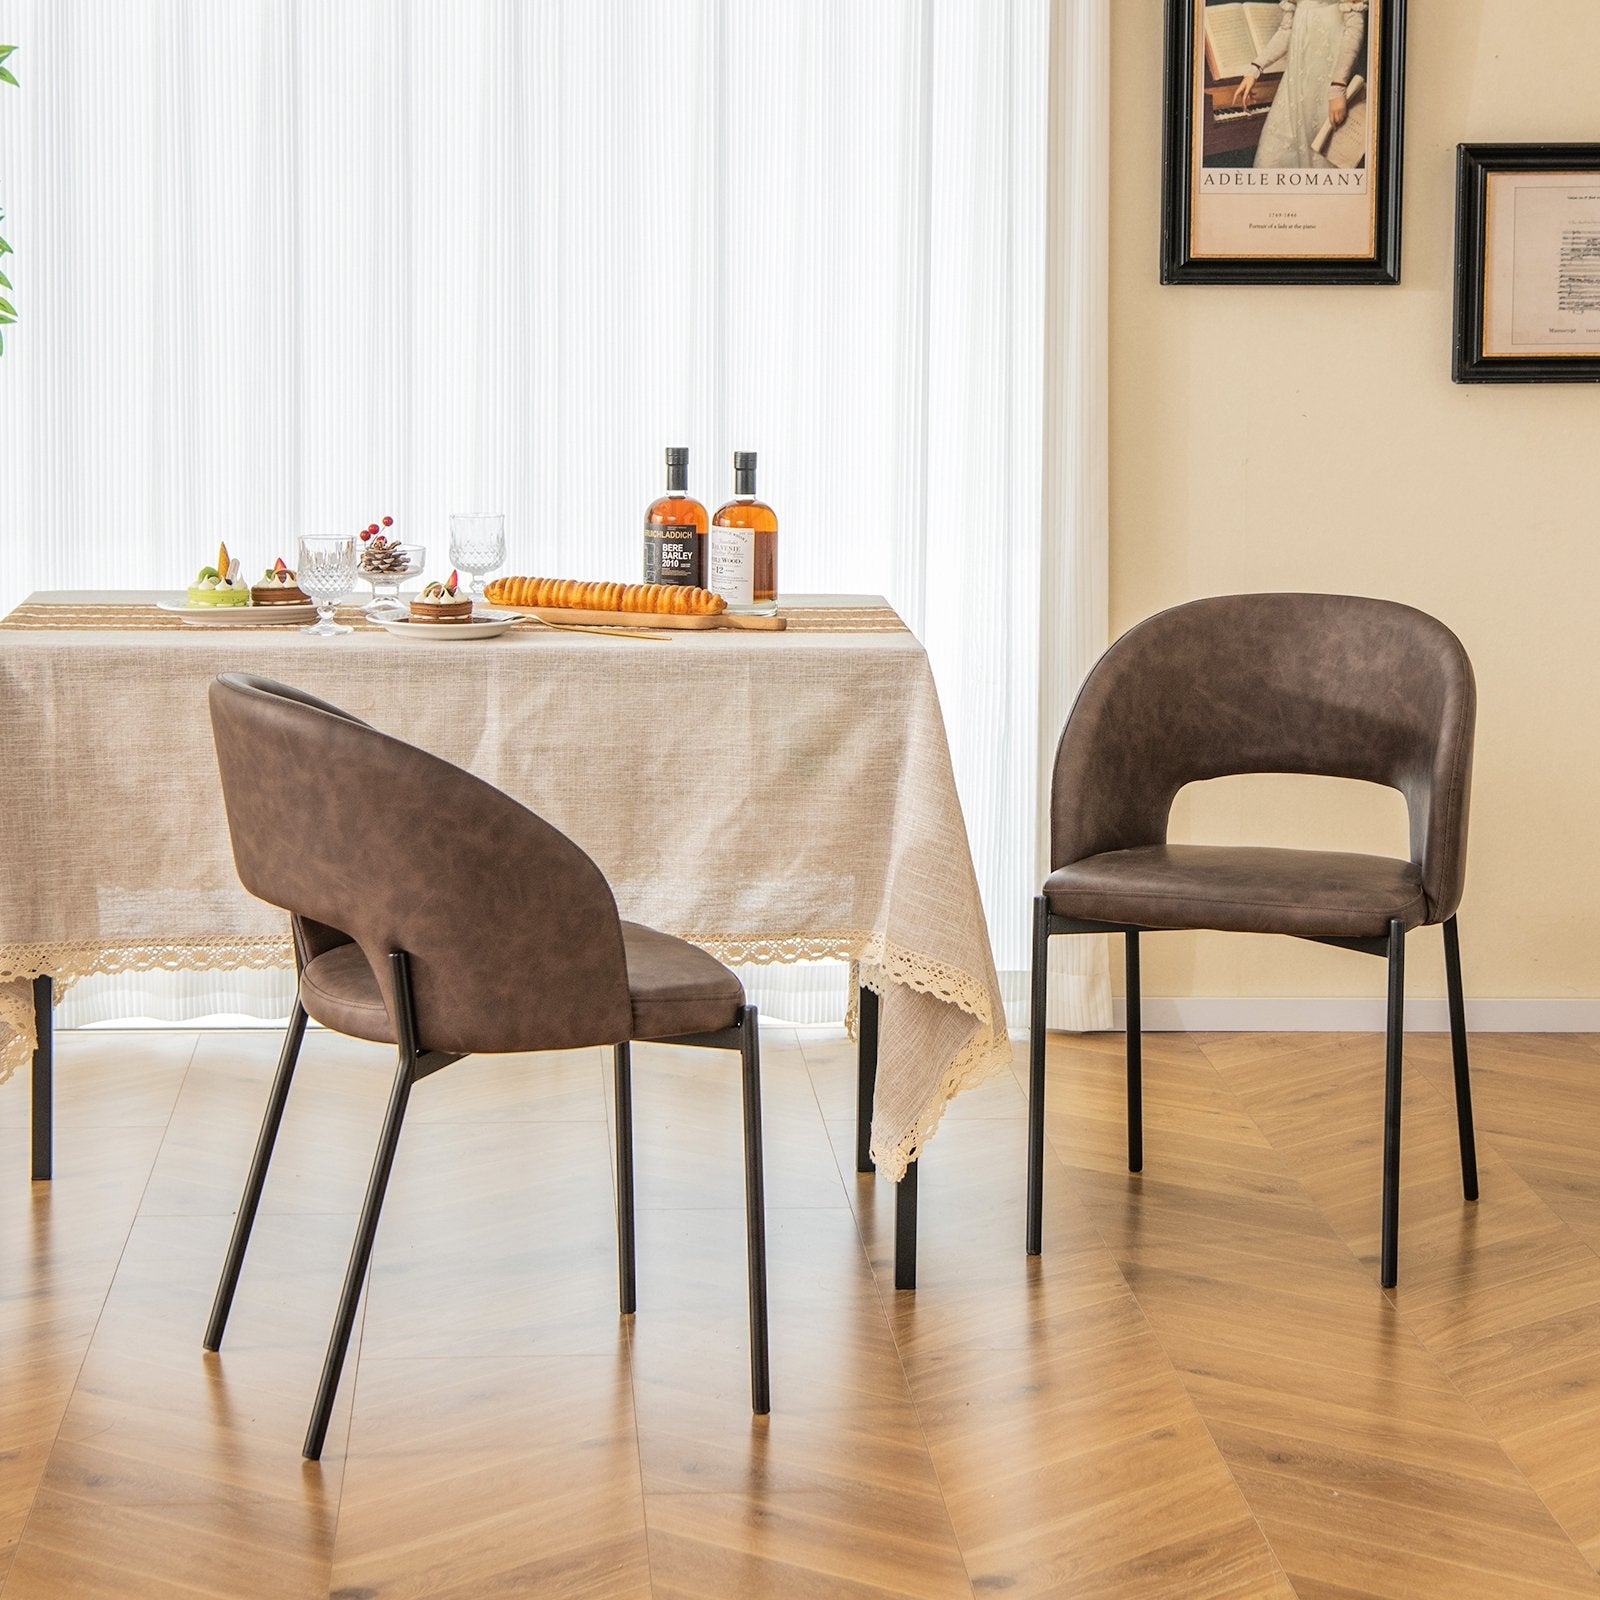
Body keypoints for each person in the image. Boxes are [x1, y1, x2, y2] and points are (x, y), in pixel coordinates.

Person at [1231, 0, 1367, 170]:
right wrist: (1255, 68)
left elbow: (1354, 30)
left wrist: (1338, 87)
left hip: (1329, 81)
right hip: (1296, 83)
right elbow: (1286, 30)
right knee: (1272, 161)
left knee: (1323, 158)